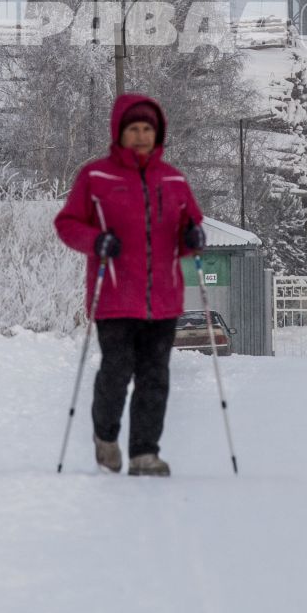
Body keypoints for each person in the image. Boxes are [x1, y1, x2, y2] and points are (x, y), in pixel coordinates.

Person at [54, 93, 205, 476]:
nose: (140, 136)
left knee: (155, 378)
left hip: (164, 299)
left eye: (147, 129)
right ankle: (106, 437)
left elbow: (190, 230)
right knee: (116, 372)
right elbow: (68, 225)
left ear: (158, 134)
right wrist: (96, 241)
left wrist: (193, 240)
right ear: (119, 133)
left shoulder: (173, 179)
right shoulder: (96, 177)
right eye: (133, 129)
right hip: (116, 297)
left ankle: (144, 454)